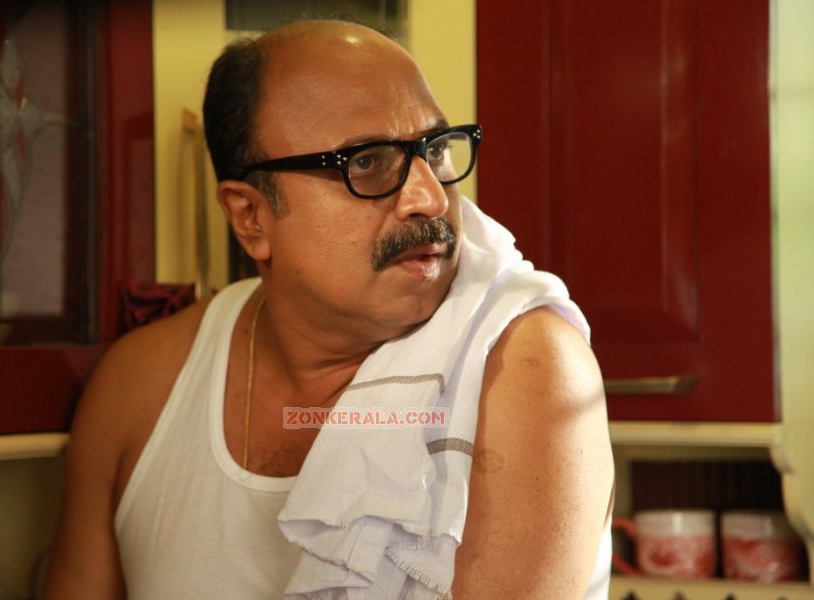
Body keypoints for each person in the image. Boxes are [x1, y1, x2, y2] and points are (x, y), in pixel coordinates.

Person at [45, 19, 614, 599]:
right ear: (250, 217)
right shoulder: (139, 386)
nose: (429, 198)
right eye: (365, 162)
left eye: (436, 149)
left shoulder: (525, 367)